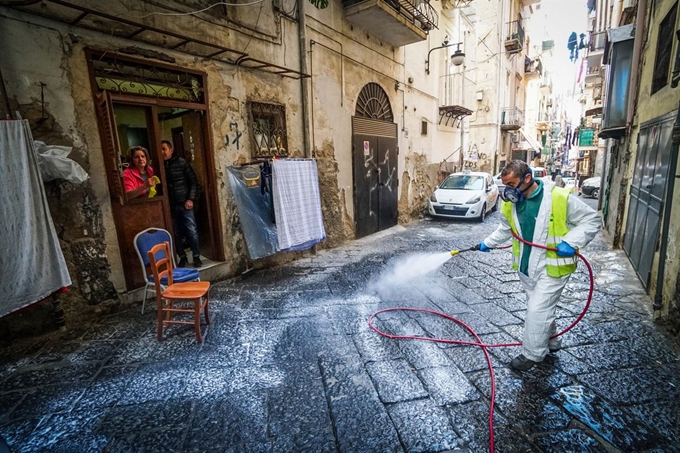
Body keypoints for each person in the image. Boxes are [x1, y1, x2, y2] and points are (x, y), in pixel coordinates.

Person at [475, 160, 600, 371]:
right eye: (506, 185)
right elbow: (506, 229)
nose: (509, 191)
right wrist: (487, 243)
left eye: (513, 184)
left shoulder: (559, 198)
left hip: (553, 267)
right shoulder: (511, 203)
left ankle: (532, 355)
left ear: (527, 178)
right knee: (540, 307)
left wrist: (571, 241)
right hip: (526, 267)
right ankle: (552, 342)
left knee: (536, 309)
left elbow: (592, 220)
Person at [161, 139, 202, 268]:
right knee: (175, 232)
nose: (162, 152)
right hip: (170, 205)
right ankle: (182, 257)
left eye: (164, 149)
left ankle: (196, 256)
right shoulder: (159, 165)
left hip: (185, 203)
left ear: (171, 150)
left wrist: (191, 199)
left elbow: (194, 182)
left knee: (191, 230)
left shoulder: (182, 163)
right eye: (160, 149)